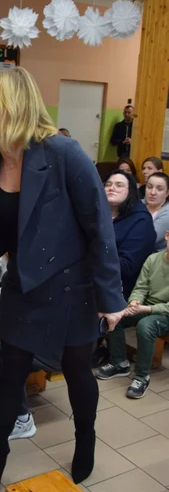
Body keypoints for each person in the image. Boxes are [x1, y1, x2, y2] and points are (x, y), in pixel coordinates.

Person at [0, 67, 126, 492]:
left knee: (76, 371)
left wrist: (111, 298)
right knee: (8, 376)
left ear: (12, 106)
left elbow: (99, 229)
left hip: (72, 288)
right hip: (23, 286)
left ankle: (85, 440)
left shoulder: (63, 153)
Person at [0, 297, 60, 444]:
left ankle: (21, 419)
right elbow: (17, 292)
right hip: (34, 330)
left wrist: (5, 323)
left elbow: (56, 317)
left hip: (61, 344)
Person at [96, 235, 169, 399]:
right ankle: (119, 363)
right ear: (167, 236)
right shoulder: (153, 259)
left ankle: (142, 377)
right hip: (147, 305)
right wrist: (135, 302)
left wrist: (146, 309)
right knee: (115, 315)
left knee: (146, 325)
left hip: (165, 313)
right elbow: (141, 287)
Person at [104, 170, 156, 298]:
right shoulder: (97, 214)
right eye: (108, 184)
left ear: (130, 191)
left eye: (119, 185)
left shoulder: (141, 221)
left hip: (120, 289)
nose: (111, 188)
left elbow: (127, 266)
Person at [143, 173, 169, 252]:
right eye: (149, 187)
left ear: (167, 193)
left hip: (154, 256)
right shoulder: (138, 204)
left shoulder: (167, 212)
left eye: (159, 189)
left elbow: (147, 238)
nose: (153, 192)